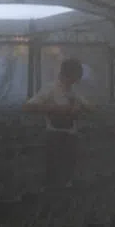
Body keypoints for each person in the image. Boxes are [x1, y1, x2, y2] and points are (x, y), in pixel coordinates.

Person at [24, 59, 91, 188]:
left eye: (76, 79)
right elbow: (28, 106)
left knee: (68, 171)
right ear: (66, 75)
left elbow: (91, 107)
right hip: (55, 135)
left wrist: (80, 108)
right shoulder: (50, 88)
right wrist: (55, 109)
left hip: (71, 135)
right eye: (73, 79)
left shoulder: (73, 92)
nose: (74, 82)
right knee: (54, 172)